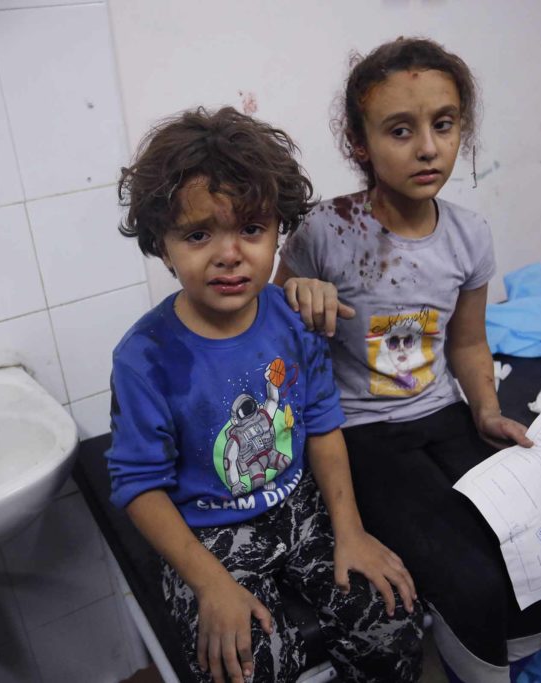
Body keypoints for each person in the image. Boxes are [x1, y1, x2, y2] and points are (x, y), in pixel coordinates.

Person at [275, 38, 541, 683]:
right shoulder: (324, 231)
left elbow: (467, 342)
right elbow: (270, 342)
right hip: (359, 431)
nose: (428, 147)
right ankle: (474, 669)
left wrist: (488, 412)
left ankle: (511, 654)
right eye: (400, 130)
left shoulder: (469, 234)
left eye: (443, 124)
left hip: (442, 412)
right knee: (465, 577)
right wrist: (294, 295)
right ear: (360, 143)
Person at [108, 106, 424, 683]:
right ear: (162, 242)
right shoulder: (144, 357)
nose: (229, 254)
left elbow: (324, 426)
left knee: (392, 618)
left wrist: (350, 533)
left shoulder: (295, 320)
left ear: (280, 231)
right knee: (244, 667)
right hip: (208, 533)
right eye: (199, 234)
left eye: (251, 230)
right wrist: (210, 584)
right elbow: (138, 486)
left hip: (301, 508)